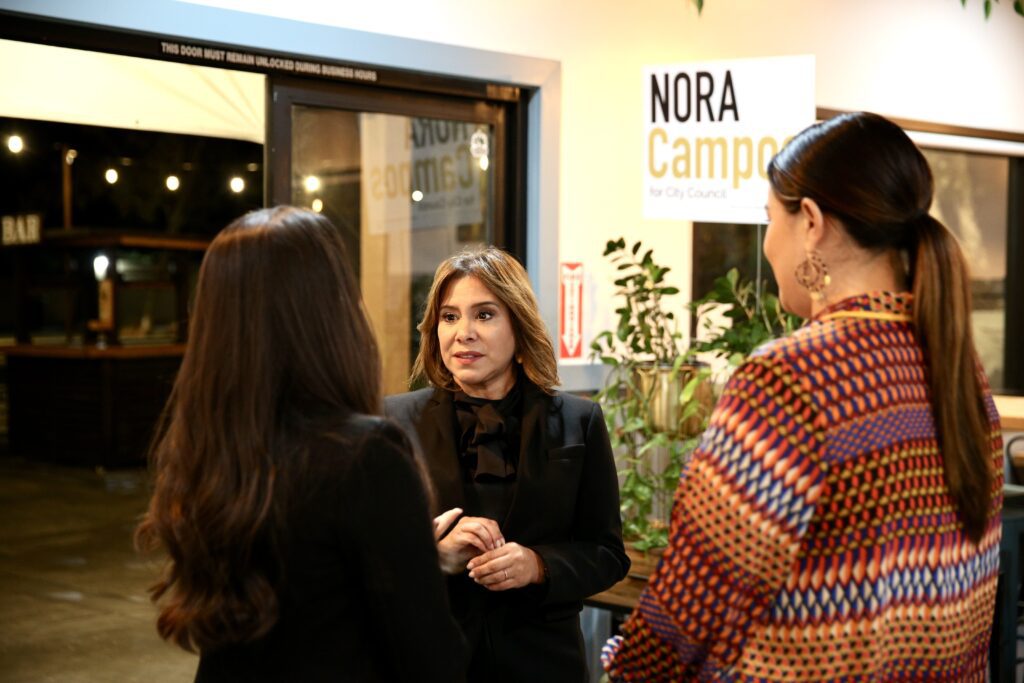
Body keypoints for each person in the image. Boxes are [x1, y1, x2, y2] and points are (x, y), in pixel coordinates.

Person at [602, 112, 1003, 681]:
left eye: (770, 219)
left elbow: (692, 611)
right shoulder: (960, 371)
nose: (767, 244)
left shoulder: (790, 381)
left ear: (811, 221)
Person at [134, 206, 466, 682]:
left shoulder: (211, 448)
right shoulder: (366, 453)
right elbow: (430, 658)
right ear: (328, 313)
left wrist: (416, 554)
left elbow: (303, 585)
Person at [385, 246, 630, 683]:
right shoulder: (393, 423)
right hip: (429, 661)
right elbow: (365, 562)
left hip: (543, 663)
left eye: (484, 315)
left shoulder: (578, 421)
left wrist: (538, 566)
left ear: (518, 324)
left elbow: (608, 554)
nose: (463, 333)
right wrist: (433, 555)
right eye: (449, 316)